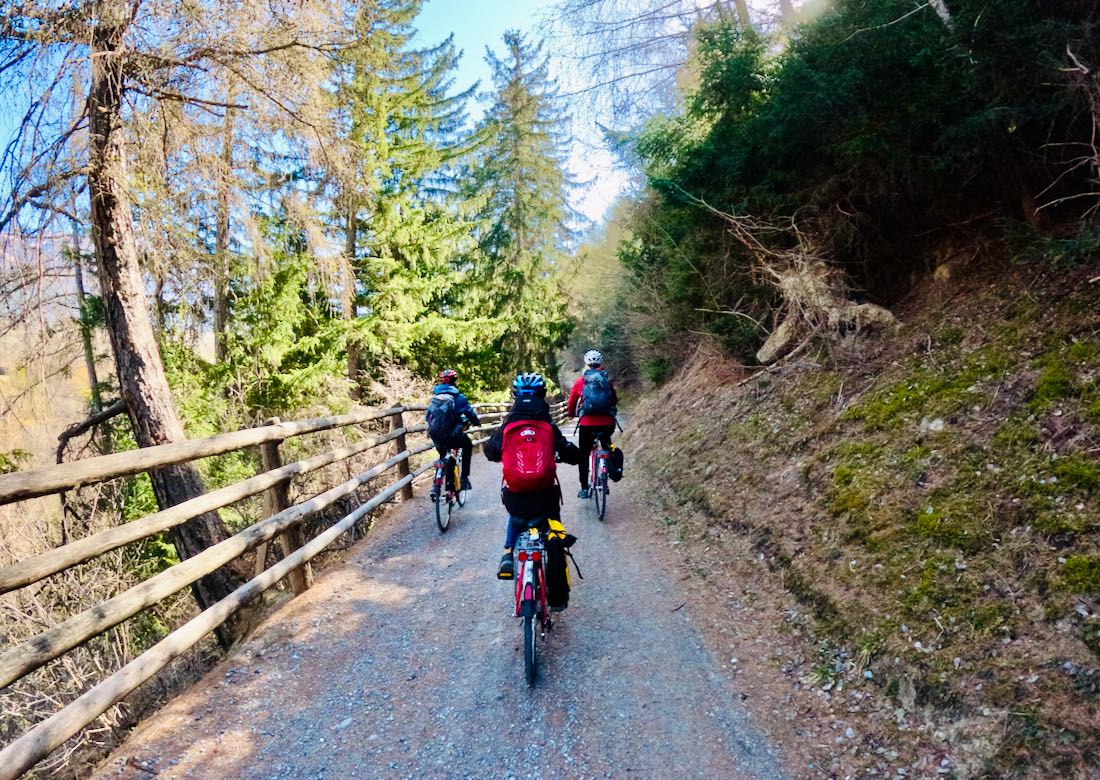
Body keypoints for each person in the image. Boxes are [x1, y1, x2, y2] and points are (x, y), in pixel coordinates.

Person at [483, 372, 580, 579]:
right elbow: (568, 452)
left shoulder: (508, 425)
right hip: (546, 496)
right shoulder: (548, 426)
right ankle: (557, 566)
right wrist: (575, 456)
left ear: (515, 396)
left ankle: (508, 554)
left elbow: (491, 451)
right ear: (542, 394)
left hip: (516, 495)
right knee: (553, 521)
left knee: (516, 514)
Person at [567, 349, 618, 498]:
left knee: (583, 455)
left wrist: (571, 414)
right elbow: (613, 400)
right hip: (606, 423)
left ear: (587, 364)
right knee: (608, 447)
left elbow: (572, 401)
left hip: (587, 424)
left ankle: (584, 488)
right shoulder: (606, 380)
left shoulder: (580, 381)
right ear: (600, 363)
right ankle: (607, 474)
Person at [426, 369, 480, 494]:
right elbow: (470, 413)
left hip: (436, 435)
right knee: (467, 445)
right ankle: (464, 478)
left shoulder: (435, 398)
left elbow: (428, 417)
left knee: (443, 454)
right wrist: (476, 422)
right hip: (452, 436)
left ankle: (437, 485)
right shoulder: (459, 398)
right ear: (455, 381)